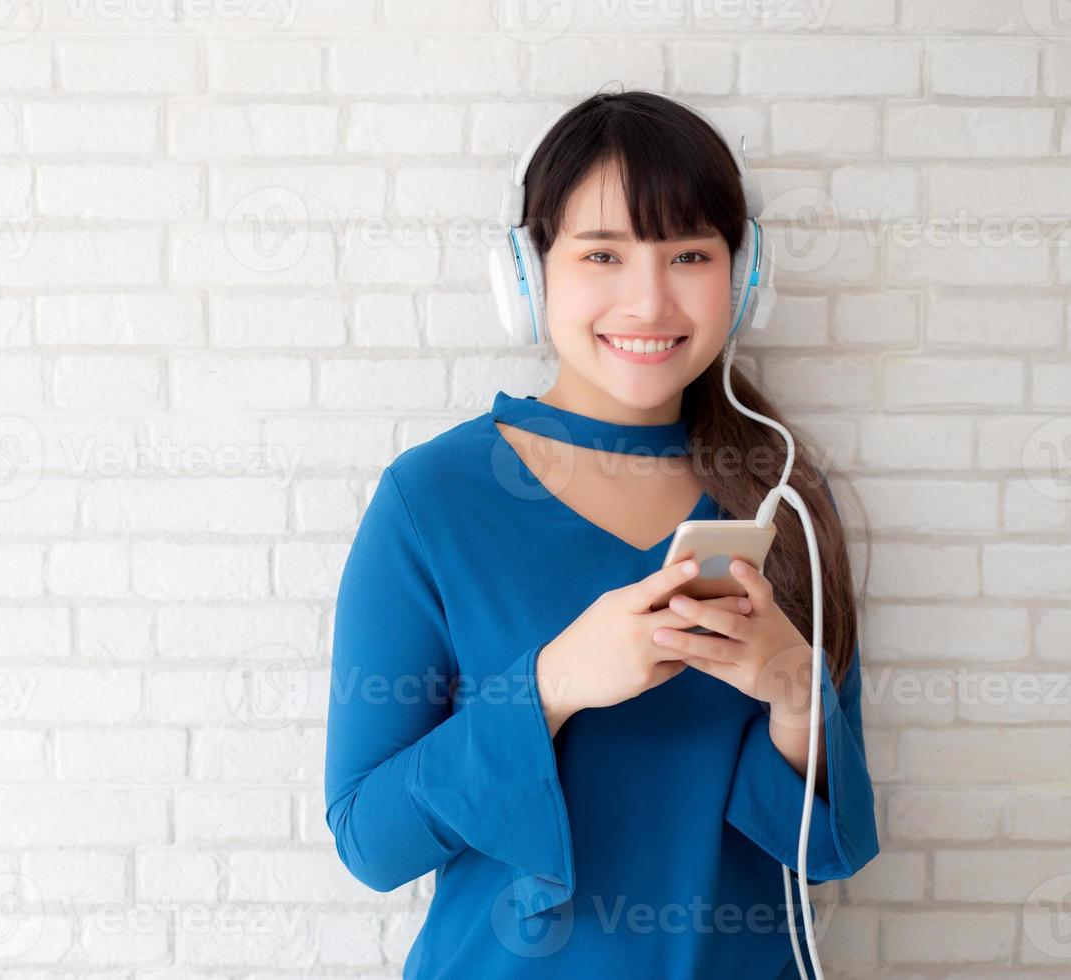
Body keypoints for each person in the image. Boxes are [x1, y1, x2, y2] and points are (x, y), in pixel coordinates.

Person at [323, 89, 881, 979]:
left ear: (745, 277)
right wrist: (553, 684)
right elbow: (371, 842)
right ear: (526, 273)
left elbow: (832, 849)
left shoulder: (782, 498)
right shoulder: (432, 500)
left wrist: (792, 688)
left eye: (689, 253)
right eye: (602, 254)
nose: (649, 299)